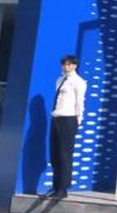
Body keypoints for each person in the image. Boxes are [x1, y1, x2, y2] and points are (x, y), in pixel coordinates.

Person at [46, 54, 87, 199]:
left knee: (65, 154)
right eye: (64, 64)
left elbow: (80, 102)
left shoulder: (78, 82)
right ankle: (55, 186)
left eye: (69, 64)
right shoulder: (60, 80)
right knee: (54, 154)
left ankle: (63, 188)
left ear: (75, 66)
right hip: (56, 117)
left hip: (68, 119)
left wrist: (78, 120)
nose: (66, 67)